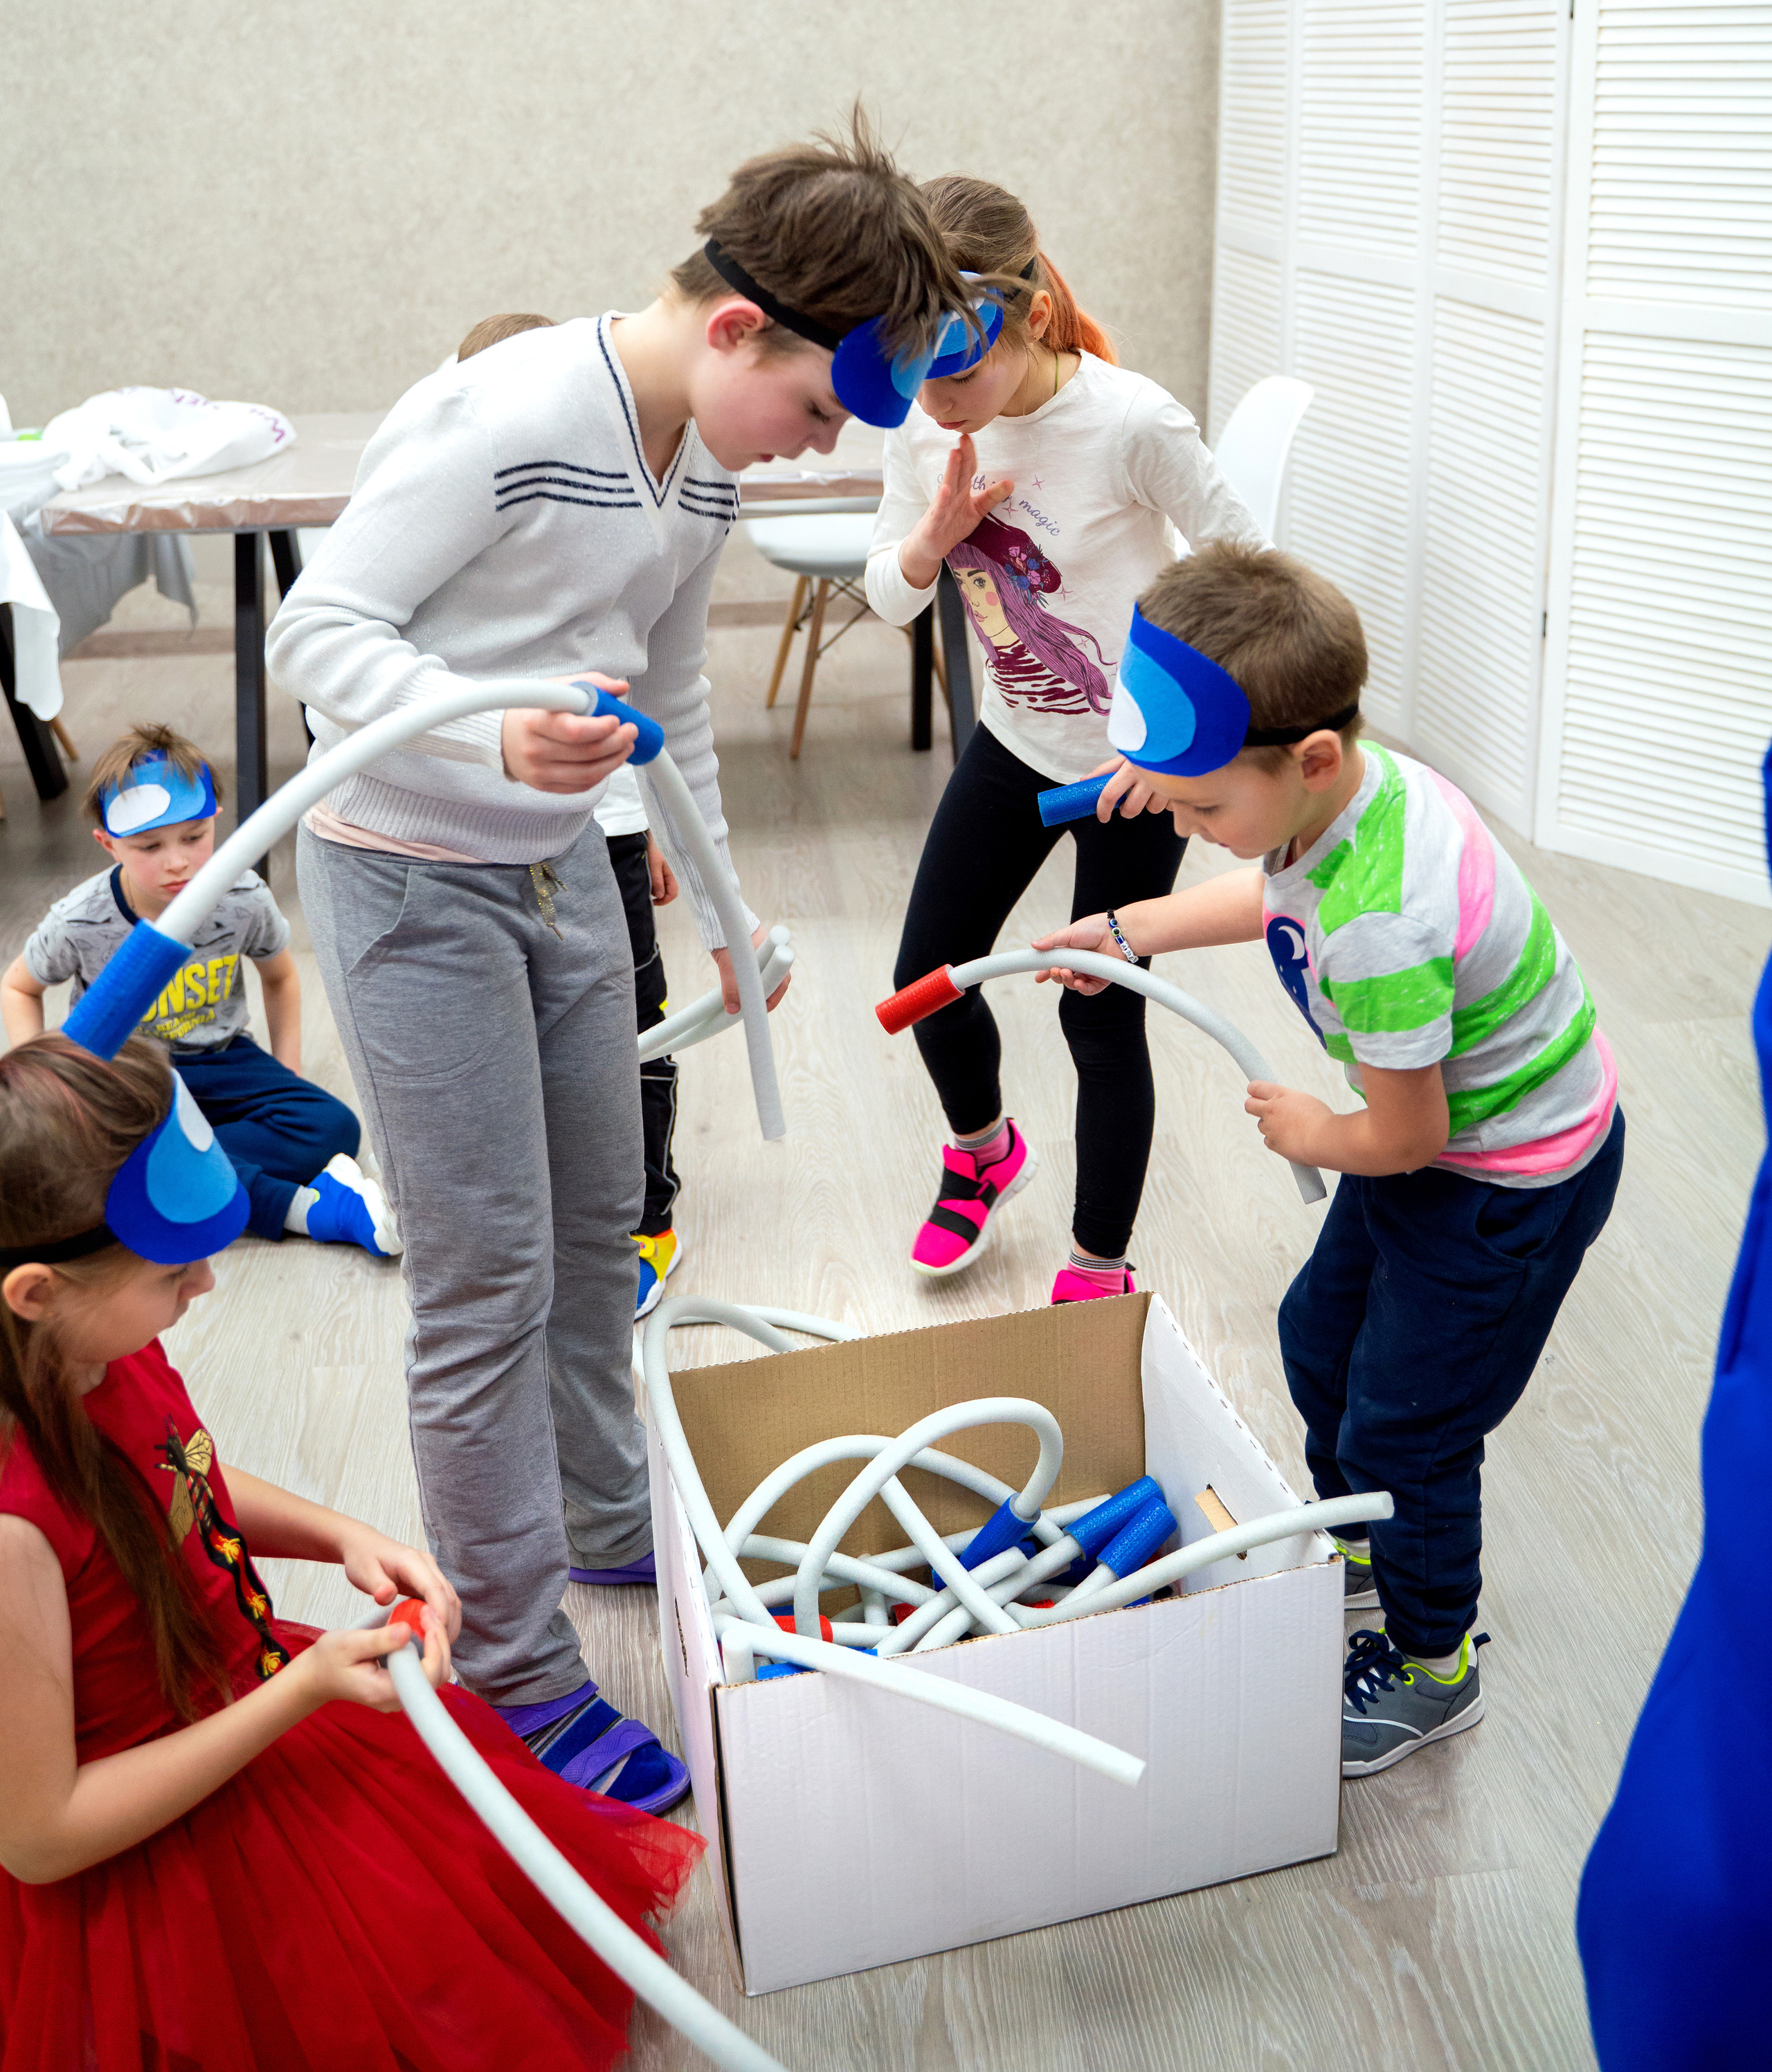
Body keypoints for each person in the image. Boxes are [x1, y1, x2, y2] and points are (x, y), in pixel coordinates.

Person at [265, 117, 973, 1809]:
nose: (813, 448)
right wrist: (493, 744)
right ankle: (510, 1665)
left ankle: (599, 1522)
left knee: (603, 1229)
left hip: (566, 874)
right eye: (814, 410)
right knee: (485, 1273)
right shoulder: (506, 420)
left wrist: (716, 896)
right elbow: (315, 638)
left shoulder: (700, 457)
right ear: (737, 328)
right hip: (408, 873)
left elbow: (670, 690)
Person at [1033, 540, 1625, 1774]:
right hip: (1430, 1154)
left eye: (1202, 809)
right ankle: (1370, 1536)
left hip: (1497, 1182)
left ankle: (1432, 1662)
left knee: (1409, 1427)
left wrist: (1316, 1130)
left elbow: (1414, 1133)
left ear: (1307, 761)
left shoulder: (1381, 916)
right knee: (1319, 1335)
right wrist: (1131, 925)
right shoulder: (1343, 795)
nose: (1191, 829)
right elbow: (1269, 891)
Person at [0, 1033, 701, 2069]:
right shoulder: (13, 1534)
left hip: (242, 1690)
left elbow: (179, 1469)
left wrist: (339, 1534)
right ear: (35, 1293)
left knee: (461, 1912)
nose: (204, 1287)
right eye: (172, 1269)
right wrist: (304, 1690)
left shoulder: (93, 1347)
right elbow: (43, 1834)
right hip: (159, 1840)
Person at [864, 176, 1266, 1305]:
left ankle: (1096, 1266)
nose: (941, 402)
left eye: (959, 372)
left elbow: (1253, 574)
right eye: (919, 377)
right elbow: (889, 598)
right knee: (925, 977)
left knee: (1098, 1007)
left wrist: (1179, 750)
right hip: (1015, 742)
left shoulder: (1130, 420)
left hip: (1137, 768)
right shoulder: (920, 426)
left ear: (1030, 317)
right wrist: (928, 543)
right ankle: (983, 1148)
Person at [455, 312, 685, 1322]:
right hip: (489, 829)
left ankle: (648, 1210)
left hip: (612, 821)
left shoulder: (614, 521)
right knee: (534, 1022)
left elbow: (660, 688)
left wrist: (659, 832)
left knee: (636, 1021)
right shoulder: (456, 523)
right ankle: (563, 1194)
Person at [0, 723, 398, 1260]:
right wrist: (52, 1085)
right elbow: (19, 986)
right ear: (107, 843)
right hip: (130, 1074)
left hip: (224, 1057)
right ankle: (313, 1212)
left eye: (193, 837)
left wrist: (288, 1071)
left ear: (215, 820)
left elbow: (280, 976)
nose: (176, 861)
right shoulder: (81, 918)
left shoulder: (241, 896)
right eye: (149, 846)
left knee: (333, 1128)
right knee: (89, 1162)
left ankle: (169, 1164)